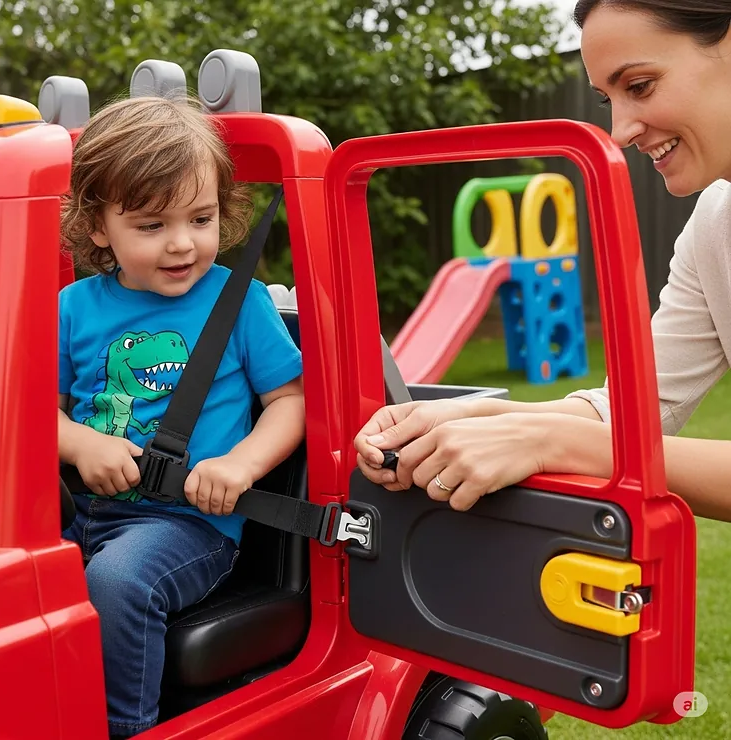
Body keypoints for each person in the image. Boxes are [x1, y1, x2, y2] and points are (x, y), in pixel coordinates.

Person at [355, 0, 731, 522]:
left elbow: (595, 439)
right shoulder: (714, 225)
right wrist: (469, 415)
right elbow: (634, 411)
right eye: (607, 100)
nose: (620, 131)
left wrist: (561, 443)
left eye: (640, 86)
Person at [57, 95, 305, 739]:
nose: (182, 243)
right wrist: (81, 442)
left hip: (191, 525)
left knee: (119, 580)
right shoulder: (73, 308)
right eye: (150, 225)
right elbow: (35, 415)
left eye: (200, 217)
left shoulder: (239, 302)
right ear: (98, 226)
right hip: (81, 509)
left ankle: (123, 728)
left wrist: (239, 463)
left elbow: (292, 400)